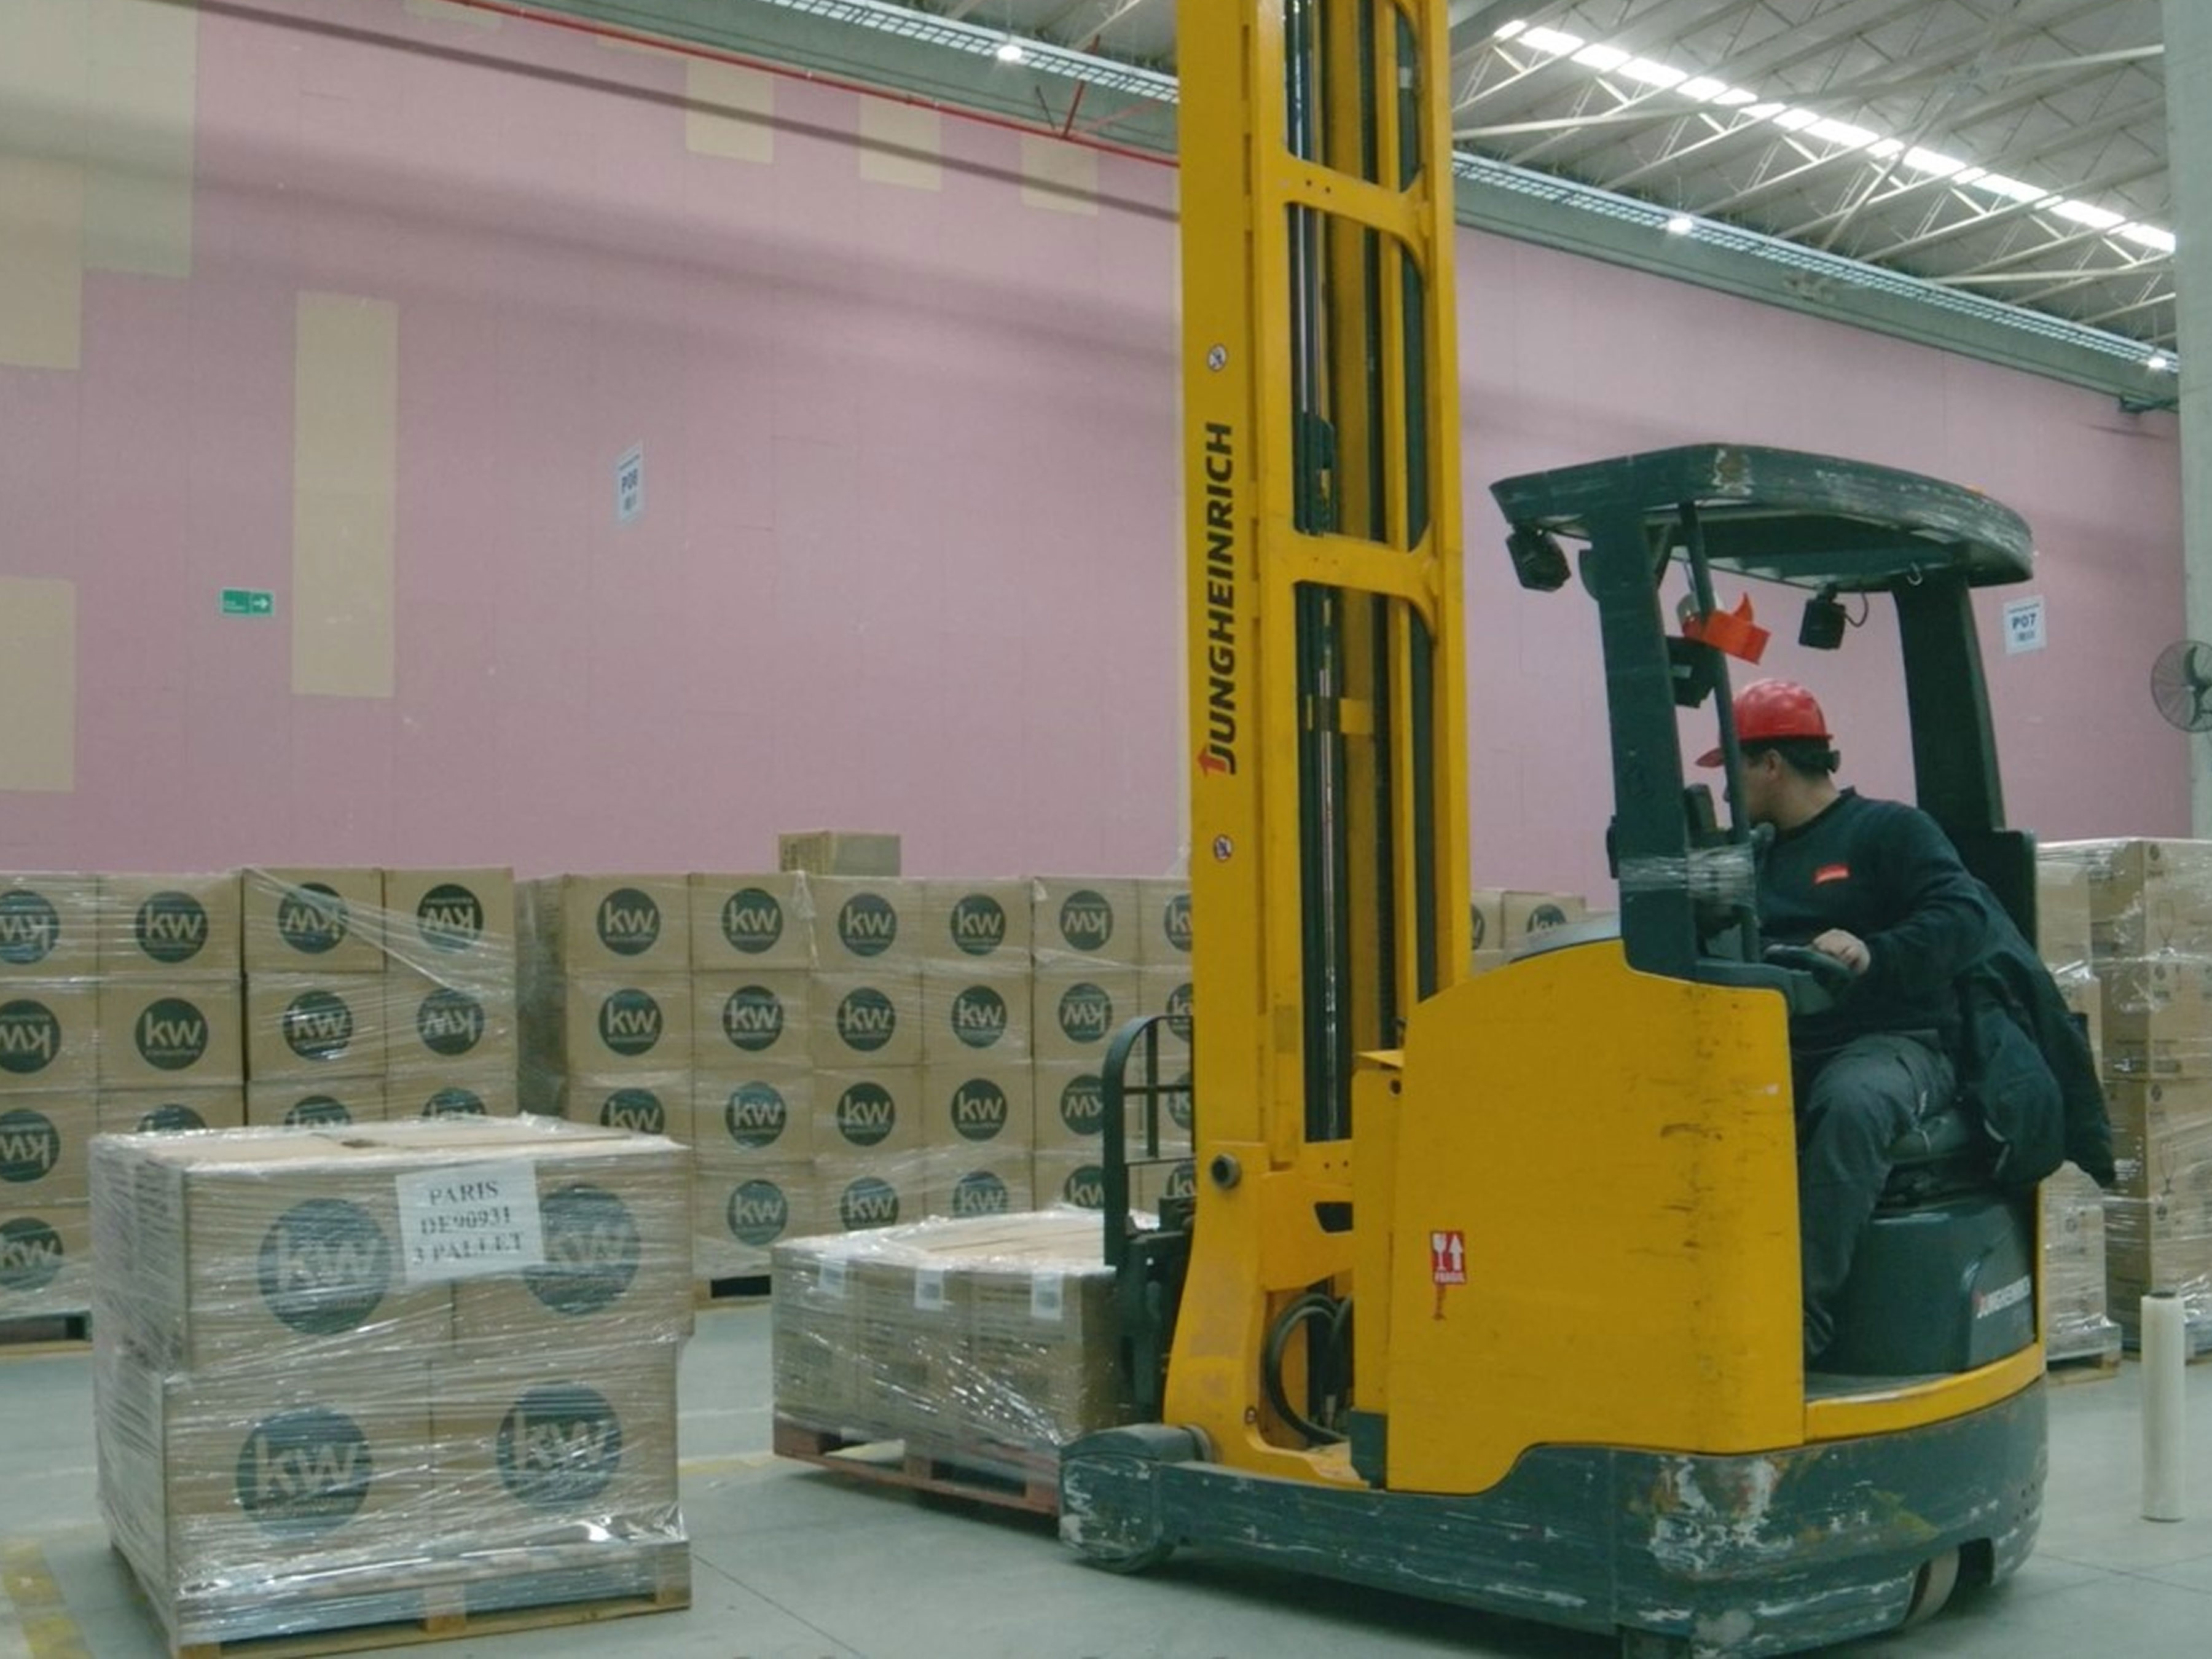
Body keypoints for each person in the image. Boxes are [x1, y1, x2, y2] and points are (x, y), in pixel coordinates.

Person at [1698, 678, 1991, 1363]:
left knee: (1851, 1106)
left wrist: (1874, 951)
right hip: (1780, 1039)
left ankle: (1799, 1318)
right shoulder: (1756, 858)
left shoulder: (1889, 830)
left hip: (1893, 1043)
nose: (1727, 789)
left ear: (1770, 764)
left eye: (1733, 769)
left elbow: (1964, 918)